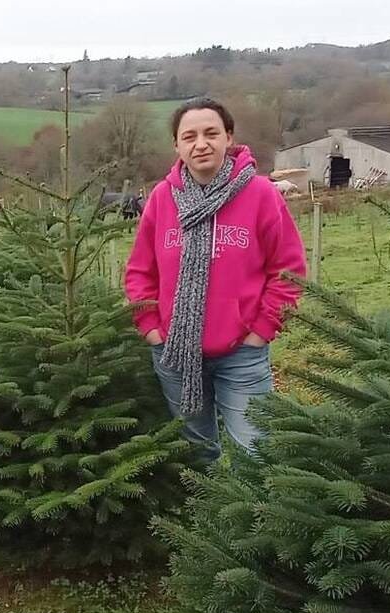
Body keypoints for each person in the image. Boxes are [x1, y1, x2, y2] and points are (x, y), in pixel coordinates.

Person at [124, 97, 307, 463]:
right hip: (174, 352)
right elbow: (140, 272)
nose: (201, 143)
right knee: (196, 453)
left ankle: (256, 518)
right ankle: (205, 518)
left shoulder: (261, 195)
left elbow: (288, 270)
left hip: (242, 352)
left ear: (229, 137)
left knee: (255, 450)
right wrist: (150, 328)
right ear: (177, 145)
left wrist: (261, 330)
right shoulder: (163, 199)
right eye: (189, 136)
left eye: (211, 133)